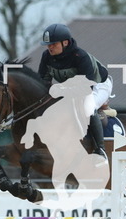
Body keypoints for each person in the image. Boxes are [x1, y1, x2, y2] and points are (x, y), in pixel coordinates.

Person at [38, 23, 113, 158]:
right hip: (71, 88)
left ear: (65, 43)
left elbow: (86, 88)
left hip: (98, 85)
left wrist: (61, 91)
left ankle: (100, 149)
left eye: (53, 44)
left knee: (87, 107)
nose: (50, 47)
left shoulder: (80, 56)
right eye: (48, 44)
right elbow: (43, 81)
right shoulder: (47, 57)